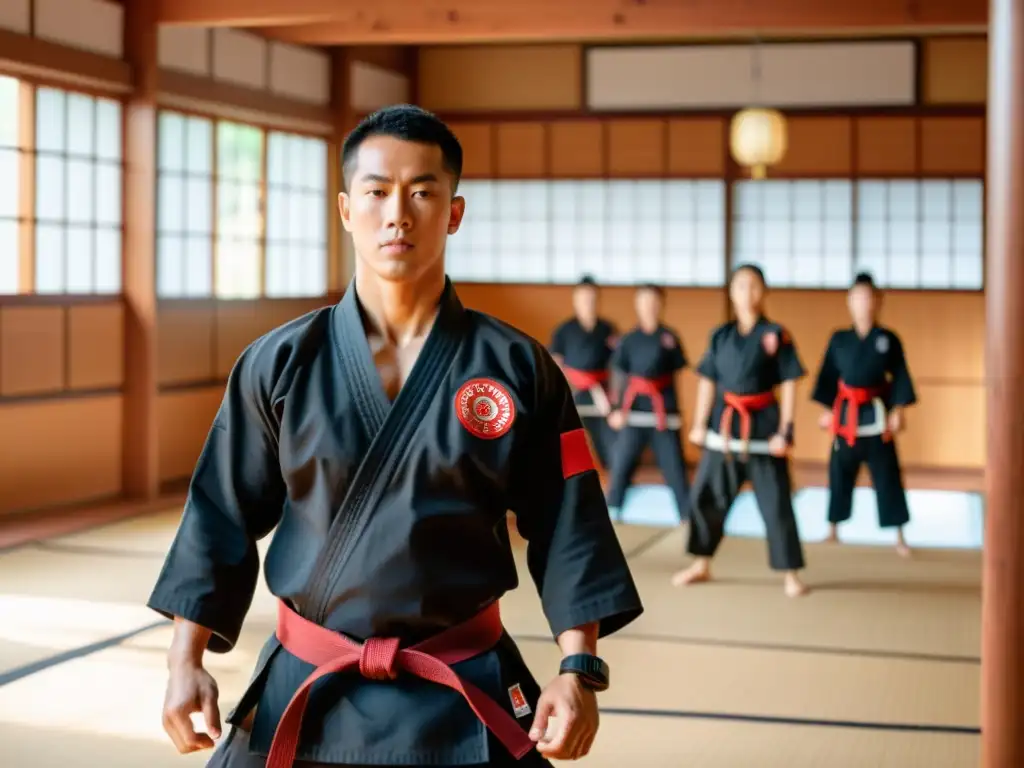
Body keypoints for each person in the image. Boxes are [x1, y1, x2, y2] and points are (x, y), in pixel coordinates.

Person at [146, 105, 644, 768]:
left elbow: (569, 521)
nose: (398, 215)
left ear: (454, 212)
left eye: (422, 193)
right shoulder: (280, 362)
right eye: (378, 192)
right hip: (309, 683)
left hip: (461, 686)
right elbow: (219, 514)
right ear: (347, 209)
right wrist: (184, 661)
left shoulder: (516, 368)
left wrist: (579, 670)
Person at [671, 264, 809, 598]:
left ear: (763, 292)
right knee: (707, 497)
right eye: (740, 285)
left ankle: (790, 572)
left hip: (764, 429)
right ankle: (701, 563)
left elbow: (789, 382)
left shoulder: (776, 334)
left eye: (753, 285)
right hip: (725, 426)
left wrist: (786, 431)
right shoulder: (720, 336)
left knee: (776, 504)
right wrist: (700, 425)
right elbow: (707, 381)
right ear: (731, 293)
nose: (747, 292)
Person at [810, 271, 917, 557]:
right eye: (857, 298)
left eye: (869, 297)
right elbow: (827, 377)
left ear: (879, 301)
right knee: (839, 472)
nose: (863, 303)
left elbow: (901, 376)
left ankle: (899, 535)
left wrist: (899, 410)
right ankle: (833, 529)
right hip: (846, 417)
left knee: (888, 474)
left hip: (877, 414)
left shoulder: (888, 339)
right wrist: (826, 411)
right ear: (849, 302)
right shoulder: (839, 339)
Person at [604, 284, 692, 522]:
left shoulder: (669, 338)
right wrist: (615, 409)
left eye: (654, 302)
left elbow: (676, 377)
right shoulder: (628, 339)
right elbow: (618, 376)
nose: (649, 307)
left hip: (663, 414)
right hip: (633, 412)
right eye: (644, 301)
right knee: (621, 463)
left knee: (674, 467)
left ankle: (687, 515)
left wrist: (676, 410)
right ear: (637, 304)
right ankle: (611, 510)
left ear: (661, 305)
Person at [549, 276, 618, 469]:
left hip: (601, 393)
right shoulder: (564, 330)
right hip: (573, 391)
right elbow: (556, 363)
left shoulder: (607, 329)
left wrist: (615, 396)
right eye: (583, 298)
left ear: (598, 300)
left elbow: (617, 364)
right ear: (575, 300)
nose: (588, 302)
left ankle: (609, 471)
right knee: (567, 440)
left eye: (592, 298)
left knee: (610, 447)